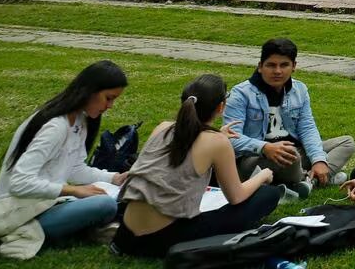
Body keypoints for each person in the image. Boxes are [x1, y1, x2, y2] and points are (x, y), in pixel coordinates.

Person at [111, 75, 280, 258]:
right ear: (221, 107)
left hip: (124, 236)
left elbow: (188, 146)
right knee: (268, 195)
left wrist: (217, 135)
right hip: (160, 240)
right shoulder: (217, 142)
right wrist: (262, 175)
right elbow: (236, 197)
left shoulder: (163, 127)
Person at [0, 61, 128, 249]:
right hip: (19, 215)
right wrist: (72, 190)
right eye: (108, 98)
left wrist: (114, 178)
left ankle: (92, 226)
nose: (110, 106)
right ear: (90, 91)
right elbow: (18, 183)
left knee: (107, 196)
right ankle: (93, 228)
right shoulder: (55, 127)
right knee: (105, 205)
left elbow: (75, 169)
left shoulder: (79, 120)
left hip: (45, 204)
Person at [222, 39, 355, 203]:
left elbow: (307, 128)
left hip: (293, 153)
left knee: (347, 143)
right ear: (260, 66)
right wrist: (264, 147)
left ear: (293, 66)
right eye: (271, 65)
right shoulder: (241, 94)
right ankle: (315, 178)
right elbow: (231, 138)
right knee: (292, 155)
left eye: (284, 65)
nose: (277, 71)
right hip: (255, 158)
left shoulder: (299, 90)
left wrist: (318, 159)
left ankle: (310, 180)